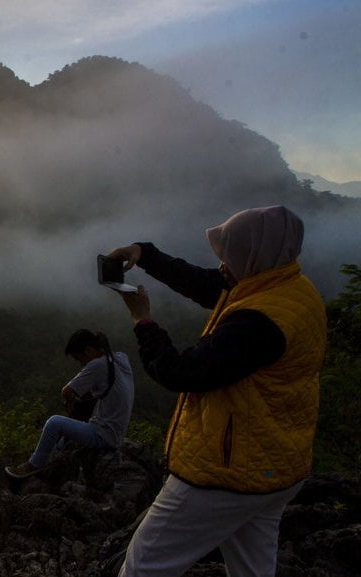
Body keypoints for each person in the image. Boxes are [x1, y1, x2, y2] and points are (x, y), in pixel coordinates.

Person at [107, 205, 326, 577]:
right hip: (275, 466)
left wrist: (142, 320)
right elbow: (209, 285)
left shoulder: (260, 322)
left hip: (225, 472)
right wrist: (146, 254)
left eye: (229, 256)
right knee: (253, 570)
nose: (222, 264)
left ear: (253, 256)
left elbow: (180, 371)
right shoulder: (287, 287)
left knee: (144, 565)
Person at [4, 329, 135, 479]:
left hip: (104, 435)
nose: (81, 365)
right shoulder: (120, 358)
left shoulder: (97, 365)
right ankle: (50, 461)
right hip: (116, 433)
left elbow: (66, 391)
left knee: (54, 423)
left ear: (89, 351)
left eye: (80, 359)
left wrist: (71, 404)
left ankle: (33, 466)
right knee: (62, 440)